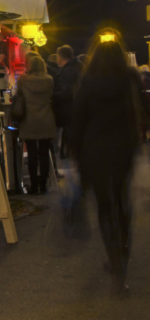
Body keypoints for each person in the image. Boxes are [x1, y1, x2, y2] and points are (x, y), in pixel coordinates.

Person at [70, 29, 147, 297]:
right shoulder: (130, 77)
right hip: (124, 150)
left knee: (105, 209)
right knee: (122, 205)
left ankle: (114, 262)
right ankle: (121, 261)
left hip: (96, 153)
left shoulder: (89, 81)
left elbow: (77, 120)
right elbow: (145, 110)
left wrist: (75, 153)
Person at [16, 52, 57, 194]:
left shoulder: (23, 80)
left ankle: (33, 186)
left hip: (29, 120)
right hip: (46, 119)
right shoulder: (49, 80)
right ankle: (43, 184)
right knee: (44, 153)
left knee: (32, 154)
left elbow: (18, 95)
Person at [53, 45, 82, 159]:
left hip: (67, 110)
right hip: (72, 109)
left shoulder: (68, 71)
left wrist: (52, 96)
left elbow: (67, 92)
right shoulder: (75, 68)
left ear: (60, 57)